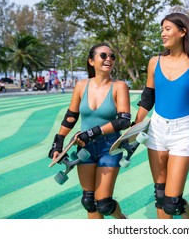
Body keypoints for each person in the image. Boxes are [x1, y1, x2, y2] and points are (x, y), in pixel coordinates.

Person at [134, 12, 189, 219]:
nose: (163, 33)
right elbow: (148, 97)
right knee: (161, 196)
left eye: (167, 29)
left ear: (183, 32)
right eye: (162, 29)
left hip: (183, 131)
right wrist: (134, 127)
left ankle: (187, 213)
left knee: (171, 202)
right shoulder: (154, 62)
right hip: (156, 129)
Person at [48, 43, 131, 219]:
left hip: (109, 146)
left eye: (112, 56)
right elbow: (71, 116)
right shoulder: (81, 85)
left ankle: (122, 220)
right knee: (89, 201)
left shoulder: (119, 86)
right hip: (84, 147)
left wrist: (92, 132)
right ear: (91, 61)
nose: (109, 59)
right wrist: (58, 142)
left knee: (104, 204)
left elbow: (123, 121)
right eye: (103, 56)